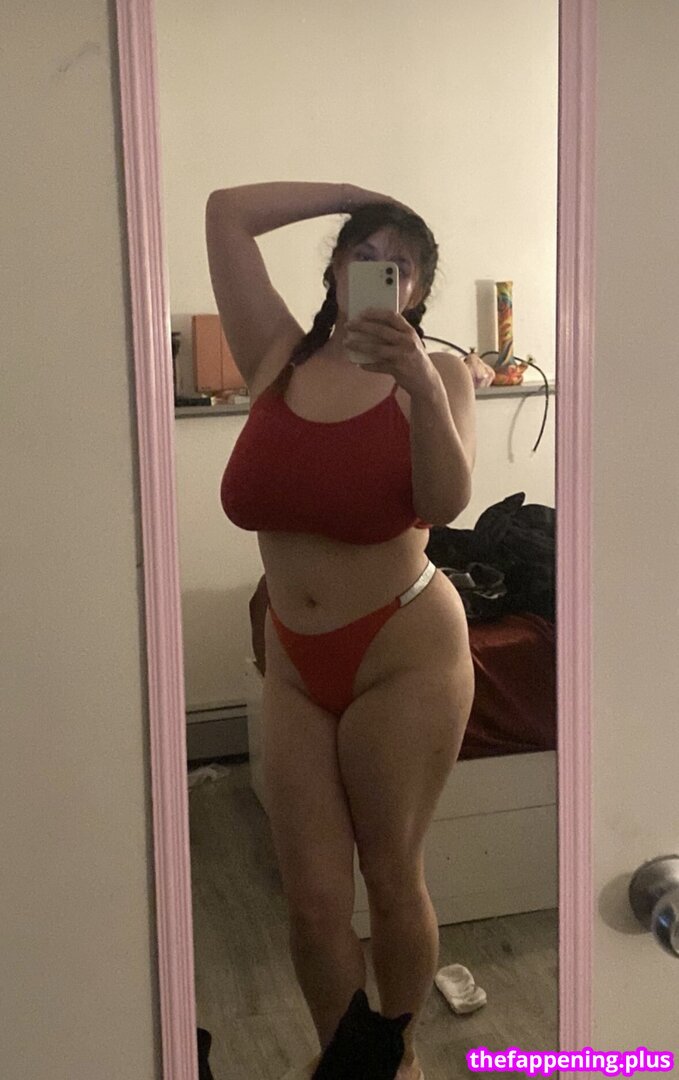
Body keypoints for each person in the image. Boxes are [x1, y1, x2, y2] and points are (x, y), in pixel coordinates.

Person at [207, 181, 476, 1080]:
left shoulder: (438, 375)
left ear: (418, 294)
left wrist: (416, 383)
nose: (379, 272)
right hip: (294, 662)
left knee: (391, 879)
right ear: (334, 270)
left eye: (400, 266)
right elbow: (226, 212)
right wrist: (360, 197)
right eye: (364, 254)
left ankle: (398, 1059)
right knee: (313, 903)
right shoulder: (275, 356)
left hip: (403, 653)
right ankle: (347, 1064)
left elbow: (443, 503)